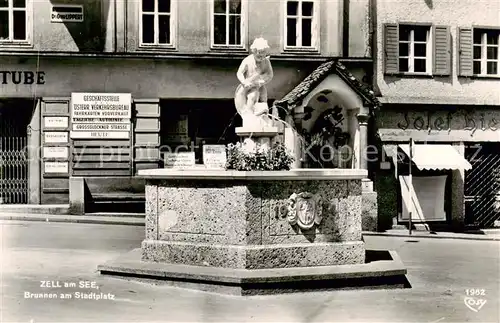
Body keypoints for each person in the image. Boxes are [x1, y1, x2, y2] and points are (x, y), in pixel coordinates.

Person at [234, 38, 274, 120]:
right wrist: (244, 82)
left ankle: (263, 117)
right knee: (252, 96)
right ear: (254, 51)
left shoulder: (266, 61)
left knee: (263, 97)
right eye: (259, 55)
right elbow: (239, 73)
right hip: (250, 85)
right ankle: (249, 116)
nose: (261, 57)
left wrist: (263, 80)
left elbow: (270, 74)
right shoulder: (248, 60)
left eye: (263, 55)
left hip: (260, 84)